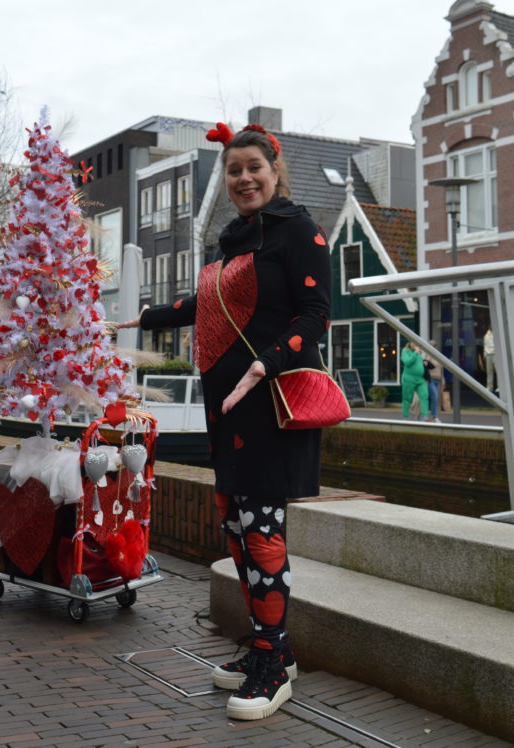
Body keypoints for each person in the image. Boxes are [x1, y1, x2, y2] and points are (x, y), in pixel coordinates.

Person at [119, 123, 330, 720]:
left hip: (270, 402)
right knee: (235, 526)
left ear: (275, 169)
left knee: (261, 528)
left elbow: (316, 314)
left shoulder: (299, 231)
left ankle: (274, 663)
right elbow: (207, 306)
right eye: (234, 170)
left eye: (253, 167)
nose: (243, 178)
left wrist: (265, 365)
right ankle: (268, 646)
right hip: (226, 406)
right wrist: (146, 318)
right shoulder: (231, 240)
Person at [401, 341, 428, 420]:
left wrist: (424, 362)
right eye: (414, 343)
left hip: (420, 379)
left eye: (417, 343)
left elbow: (418, 362)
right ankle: (406, 417)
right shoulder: (405, 351)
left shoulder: (419, 353)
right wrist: (415, 353)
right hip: (409, 378)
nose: (416, 344)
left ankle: (424, 416)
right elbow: (407, 362)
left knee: (424, 395)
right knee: (407, 398)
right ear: (409, 343)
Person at [425, 342, 443, 422]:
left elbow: (441, 369)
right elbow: (426, 364)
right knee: (434, 397)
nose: (433, 348)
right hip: (430, 379)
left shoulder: (438, 356)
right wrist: (429, 355)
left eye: (434, 346)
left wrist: (443, 380)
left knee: (434, 398)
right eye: (432, 346)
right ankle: (434, 416)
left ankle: (432, 416)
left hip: (438, 379)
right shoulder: (427, 355)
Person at [483, 328, 496, 394]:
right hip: (489, 354)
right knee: (489, 372)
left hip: (495, 354)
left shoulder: (496, 334)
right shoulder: (486, 335)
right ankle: (489, 386)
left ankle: (499, 386)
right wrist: (485, 353)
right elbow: (485, 345)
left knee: (497, 371)